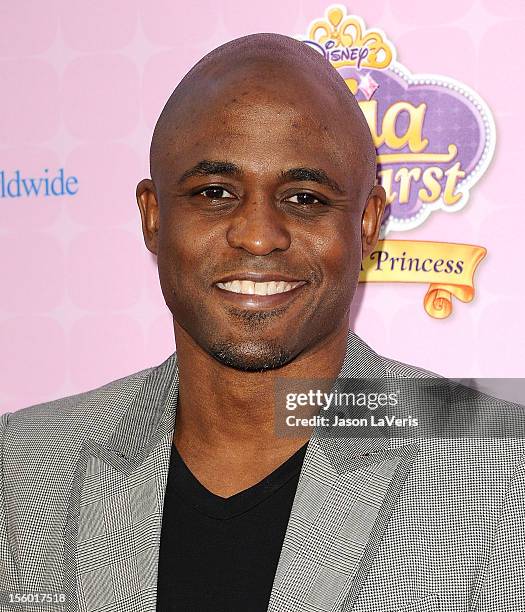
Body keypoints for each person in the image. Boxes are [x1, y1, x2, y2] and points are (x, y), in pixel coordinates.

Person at [1, 33, 524, 612]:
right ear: (153, 217)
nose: (257, 234)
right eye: (216, 192)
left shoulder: (504, 472)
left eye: (304, 198)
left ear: (369, 223)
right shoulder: (20, 467)